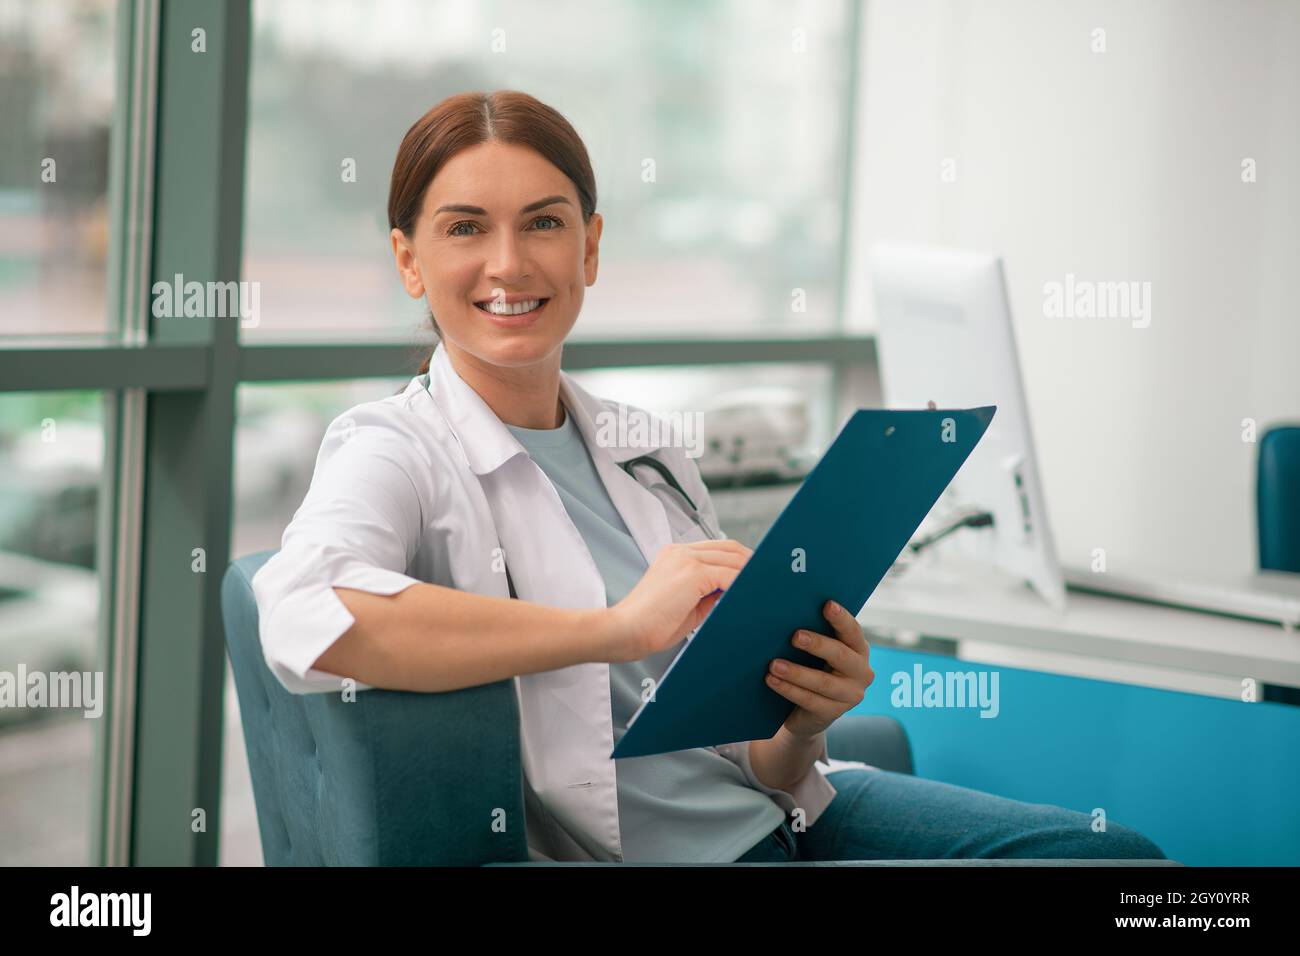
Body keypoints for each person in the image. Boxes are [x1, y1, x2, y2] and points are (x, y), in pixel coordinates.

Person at [250, 89, 1166, 865]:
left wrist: (805, 716)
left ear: (590, 248)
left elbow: (755, 761)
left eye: (545, 223)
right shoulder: (392, 449)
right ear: (408, 258)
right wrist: (613, 628)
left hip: (790, 816)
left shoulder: (644, 448)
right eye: (463, 229)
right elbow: (302, 610)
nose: (509, 264)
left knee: (1117, 862)